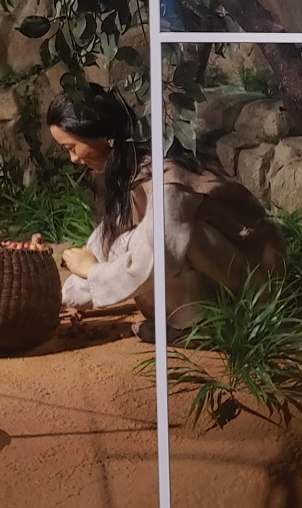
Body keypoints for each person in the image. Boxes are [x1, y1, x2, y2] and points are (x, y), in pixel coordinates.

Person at [46, 87, 286, 341]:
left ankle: (201, 326)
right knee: (127, 240)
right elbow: (109, 238)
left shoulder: (167, 177)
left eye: (72, 147)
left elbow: (161, 254)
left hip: (255, 276)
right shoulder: (132, 168)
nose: (73, 159)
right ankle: (186, 321)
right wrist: (64, 297)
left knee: (154, 242)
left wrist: (93, 272)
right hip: (221, 265)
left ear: (102, 135)